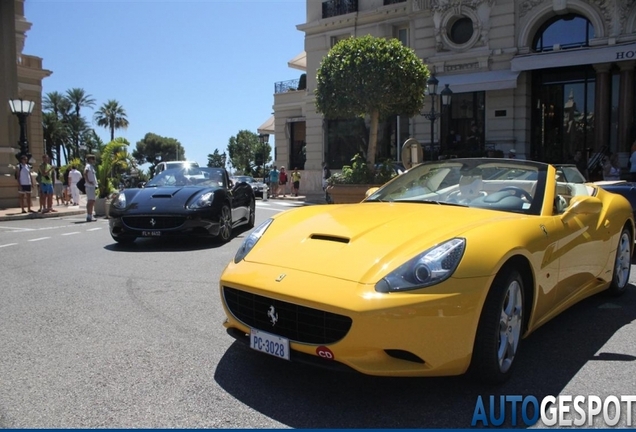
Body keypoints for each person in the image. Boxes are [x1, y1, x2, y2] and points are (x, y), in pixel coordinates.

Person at [84, 154, 98, 222]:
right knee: (90, 201)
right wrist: (88, 181)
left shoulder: (91, 166)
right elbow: (85, 173)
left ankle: (90, 214)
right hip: (89, 186)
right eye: (93, 159)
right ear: (89, 159)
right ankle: (89, 215)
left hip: (92, 186)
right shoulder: (88, 166)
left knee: (92, 201)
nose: (94, 160)